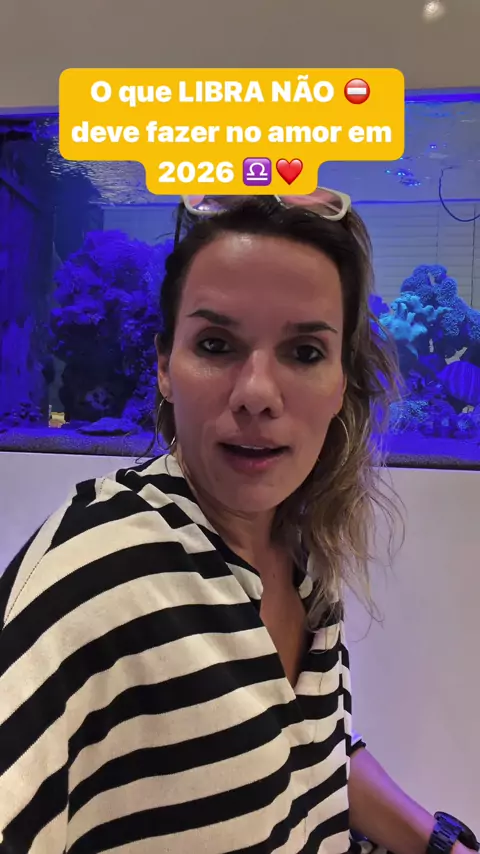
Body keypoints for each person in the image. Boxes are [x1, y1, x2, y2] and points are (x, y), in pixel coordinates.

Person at [0, 192, 477, 854]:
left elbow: (305, 743)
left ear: (342, 381)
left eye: (304, 352)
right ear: (164, 367)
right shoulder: (96, 577)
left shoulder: (303, 555)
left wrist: (438, 842)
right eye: (216, 344)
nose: (256, 392)